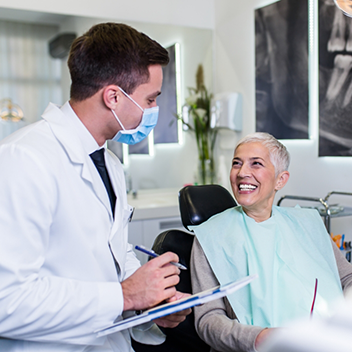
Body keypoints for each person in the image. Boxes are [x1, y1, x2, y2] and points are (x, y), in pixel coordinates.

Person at [0, 22, 190, 351]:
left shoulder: (108, 162)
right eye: (150, 99)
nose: (153, 111)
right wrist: (125, 295)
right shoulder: (24, 159)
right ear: (114, 97)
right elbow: (7, 301)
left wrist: (150, 302)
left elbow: (112, 253)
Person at [190, 132, 352, 352]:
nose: (242, 173)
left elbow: (346, 277)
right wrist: (258, 338)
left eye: (256, 164)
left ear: (280, 180)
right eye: (236, 164)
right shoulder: (211, 236)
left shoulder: (308, 223)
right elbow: (208, 319)